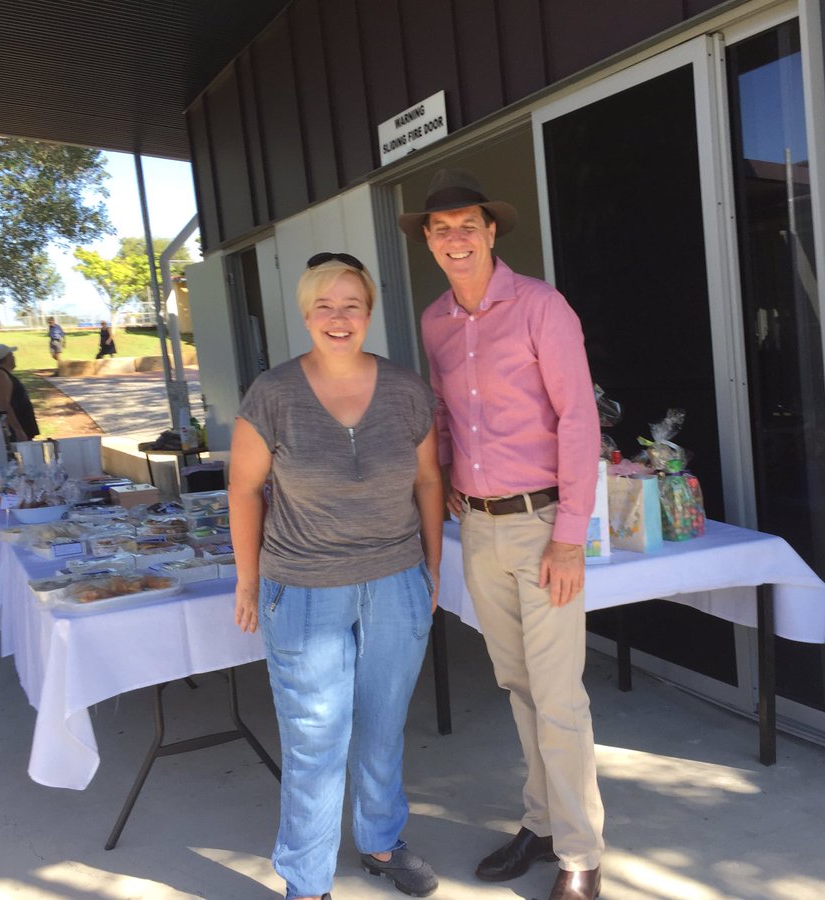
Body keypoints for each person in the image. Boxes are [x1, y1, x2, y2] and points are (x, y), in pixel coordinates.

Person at [401, 169, 604, 900]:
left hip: (546, 525)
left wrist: (570, 536)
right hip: (479, 530)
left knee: (558, 696)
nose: (455, 238)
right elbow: (447, 413)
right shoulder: (434, 323)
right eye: (440, 228)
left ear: (490, 232)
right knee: (517, 684)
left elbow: (579, 419)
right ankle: (542, 819)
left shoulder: (542, 308)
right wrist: (450, 467)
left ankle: (580, 854)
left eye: (467, 225)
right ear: (428, 241)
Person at [230, 252, 443, 900]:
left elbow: (430, 480)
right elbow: (243, 489)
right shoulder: (274, 394)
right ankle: (307, 881)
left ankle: (380, 838)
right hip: (302, 589)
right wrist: (247, 582)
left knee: (382, 723)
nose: (338, 317)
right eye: (324, 306)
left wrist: (431, 570)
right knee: (316, 741)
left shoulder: (406, 390)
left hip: (395, 581)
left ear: (370, 313)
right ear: (305, 315)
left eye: (351, 305)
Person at [0, 343, 40, 442]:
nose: (14, 358)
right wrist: (17, 430)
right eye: (12, 355)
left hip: (22, 427)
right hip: (13, 433)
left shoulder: (3, 374)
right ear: (7, 357)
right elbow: (3, 405)